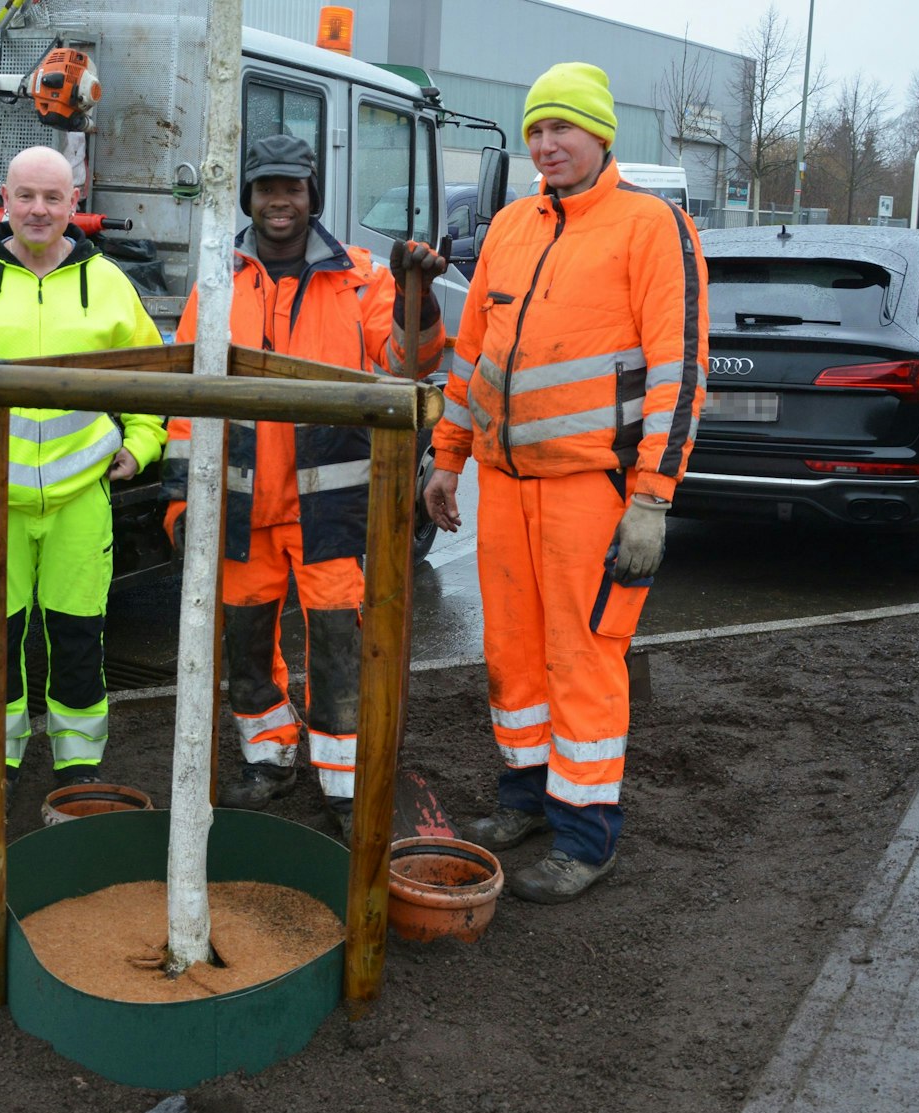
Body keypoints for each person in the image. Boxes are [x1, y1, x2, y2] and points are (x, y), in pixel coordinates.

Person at [420, 61, 707, 902]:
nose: (547, 145)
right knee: (513, 654)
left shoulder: (651, 227)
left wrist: (652, 498)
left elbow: (678, 372)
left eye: (563, 129)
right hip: (505, 488)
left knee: (583, 659)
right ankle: (526, 802)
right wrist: (448, 457)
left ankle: (587, 834)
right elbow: (471, 359)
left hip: (594, 489)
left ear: (602, 134)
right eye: (536, 130)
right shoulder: (509, 226)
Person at [160, 133, 446, 837]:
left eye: (291, 188)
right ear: (249, 197)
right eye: (266, 188)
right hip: (242, 506)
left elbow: (409, 360)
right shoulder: (219, 282)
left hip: (331, 508)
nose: (279, 201)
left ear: (312, 195)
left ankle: (344, 785)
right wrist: (177, 501)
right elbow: (188, 402)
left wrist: (420, 296)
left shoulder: (361, 277)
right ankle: (270, 759)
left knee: (340, 648)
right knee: (247, 646)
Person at [0, 145, 165, 793]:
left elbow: (153, 379)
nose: (39, 210)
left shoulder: (108, 285)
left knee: (77, 643)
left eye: (53, 197)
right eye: (26, 196)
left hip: (81, 500)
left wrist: (143, 443)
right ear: (5, 201)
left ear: (75, 204)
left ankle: (79, 772)